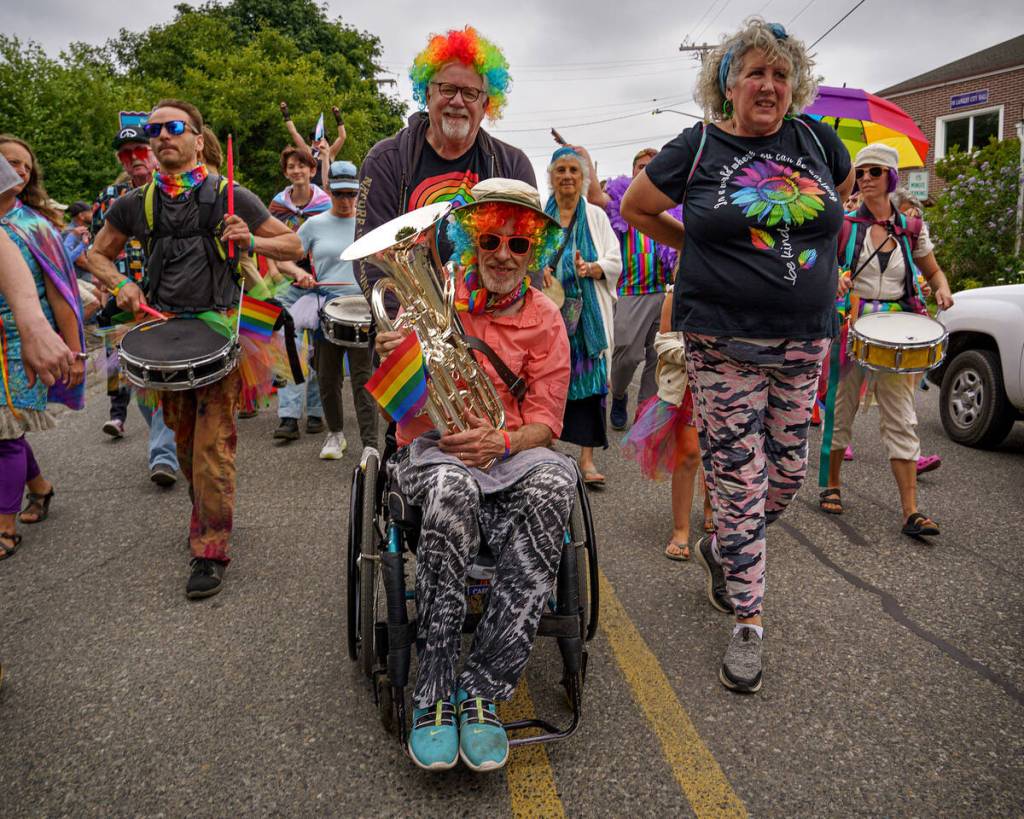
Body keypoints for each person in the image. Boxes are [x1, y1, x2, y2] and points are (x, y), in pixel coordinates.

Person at [621, 18, 854, 693]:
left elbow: (833, 215)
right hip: (722, 344)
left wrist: (824, 272)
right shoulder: (697, 147)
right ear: (727, 82)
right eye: (756, 71)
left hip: (804, 339)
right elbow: (638, 206)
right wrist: (692, 247)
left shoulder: (818, 143)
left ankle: (723, 548)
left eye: (781, 75)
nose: (770, 85)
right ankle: (748, 621)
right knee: (738, 481)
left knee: (784, 475)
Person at [376, 178, 571, 773]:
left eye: (518, 246)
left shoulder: (547, 321)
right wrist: (396, 361)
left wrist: (502, 439)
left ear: (532, 251)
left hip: (511, 455)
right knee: (452, 487)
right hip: (436, 456)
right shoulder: (431, 302)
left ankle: (483, 688)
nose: (504, 256)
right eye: (491, 241)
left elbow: (547, 421)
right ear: (471, 241)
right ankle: (434, 690)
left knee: (558, 482)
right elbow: (399, 414)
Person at [89, 99, 303, 598]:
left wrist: (251, 239)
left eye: (174, 127)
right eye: (154, 129)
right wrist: (121, 284)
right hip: (162, 339)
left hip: (222, 334)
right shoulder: (137, 202)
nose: (162, 136)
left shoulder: (227, 195)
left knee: (213, 446)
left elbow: (292, 245)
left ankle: (210, 548)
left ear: (198, 140)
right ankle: (207, 507)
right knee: (186, 447)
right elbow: (96, 253)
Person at [820, 143, 953, 538]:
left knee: (902, 418)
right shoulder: (845, 225)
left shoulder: (911, 229)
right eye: (860, 172)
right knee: (839, 411)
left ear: (891, 177)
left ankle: (911, 510)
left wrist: (942, 290)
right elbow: (820, 270)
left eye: (874, 172)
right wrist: (836, 280)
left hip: (897, 331)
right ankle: (830, 484)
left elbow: (933, 273)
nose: (864, 179)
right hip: (852, 324)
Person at [355, 25, 536, 301]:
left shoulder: (513, 165)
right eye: (447, 89)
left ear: (486, 104)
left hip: (491, 328)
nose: (457, 101)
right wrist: (396, 327)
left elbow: (529, 259)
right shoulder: (385, 161)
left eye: (470, 93)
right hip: (408, 327)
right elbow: (369, 260)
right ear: (428, 94)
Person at [0, 140, 85, 559]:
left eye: (25, 165)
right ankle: (40, 487)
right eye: (9, 161)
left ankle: (4, 525)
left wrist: (75, 352)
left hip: (23, 345)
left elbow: (62, 296)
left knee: (4, 435)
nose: (18, 170)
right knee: (4, 429)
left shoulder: (35, 227)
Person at [86, 121, 182, 487]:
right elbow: (97, 251)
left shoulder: (175, 188)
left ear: (153, 154)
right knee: (137, 380)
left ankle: (163, 454)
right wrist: (107, 287)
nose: (134, 160)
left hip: (166, 299)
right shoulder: (108, 197)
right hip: (124, 301)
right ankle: (165, 434)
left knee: (163, 375)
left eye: (140, 152)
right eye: (127, 155)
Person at [579, 146, 681, 431]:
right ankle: (620, 394)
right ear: (633, 171)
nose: (646, 170)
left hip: (663, 291)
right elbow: (595, 198)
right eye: (641, 166)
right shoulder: (624, 201)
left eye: (653, 165)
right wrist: (587, 158)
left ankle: (645, 415)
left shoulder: (671, 207)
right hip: (630, 292)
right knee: (626, 354)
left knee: (658, 357)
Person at [542, 146, 621, 487]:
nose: (568, 177)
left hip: (585, 318)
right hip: (547, 314)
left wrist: (592, 268)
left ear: (584, 178)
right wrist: (538, 271)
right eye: (561, 170)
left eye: (574, 170)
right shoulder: (540, 216)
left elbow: (615, 261)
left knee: (589, 387)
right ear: (551, 177)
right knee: (547, 383)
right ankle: (546, 449)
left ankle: (587, 461)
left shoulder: (596, 218)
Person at [293, 160, 378, 458]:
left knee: (364, 379)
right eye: (339, 194)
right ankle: (335, 434)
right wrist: (298, 272)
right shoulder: (313, 225)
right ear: (328, 190)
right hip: (326, 308)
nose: (345, 201)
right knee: (327, 377)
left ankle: (370, 444)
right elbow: (286, 255)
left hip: (362, 311)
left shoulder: (368, 223)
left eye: (350, 195)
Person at [621, 289, 702, 560]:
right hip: (686, 387)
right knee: (689, 455)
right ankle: (681, 529)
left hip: (724, 385)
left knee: (717, 455)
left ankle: (714, 511)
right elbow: (664, 343)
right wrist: (696, 357)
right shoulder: (676, 292)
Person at [269, 146, 332, 442]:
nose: (297, 171)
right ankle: (289, 416)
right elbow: (271, 242)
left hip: (321, 284)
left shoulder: (325, 204)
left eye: (302, 166)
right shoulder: (278, 206)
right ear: (286, 172)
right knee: (287, 348)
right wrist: (284, 271)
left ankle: (317, 411)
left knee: (321, 348)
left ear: (312, 170)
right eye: (291, 166)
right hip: (290, 283)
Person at [279, 101, 346, 188]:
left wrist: (338, 118)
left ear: (324, 139)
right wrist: (286, 114)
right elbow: (294, 133)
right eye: (313, 139)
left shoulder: (330, 152)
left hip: (326, 190)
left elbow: (342, 137)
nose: (315, 141)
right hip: (310, 190)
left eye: (318, 139)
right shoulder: (308, 151)